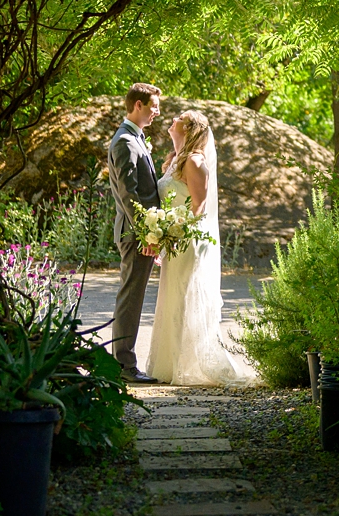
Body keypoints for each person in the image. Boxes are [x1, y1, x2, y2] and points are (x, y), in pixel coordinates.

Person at [145, 108, 256, 386]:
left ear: (189, 128)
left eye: (178, 118)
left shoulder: (195, 162)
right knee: (173, 297)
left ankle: (191, 365)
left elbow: (199, 208)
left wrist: (173, 228)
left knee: (185, 297)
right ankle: (170, 365)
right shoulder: (175, 160)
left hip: (189, 242)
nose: (172, 120)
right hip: (175, 241)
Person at [105, 83, 164, 382]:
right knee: (130, 298)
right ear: (137, 105)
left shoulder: (134, 139)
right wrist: (146, 235)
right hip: (134, 233)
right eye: (153, 106)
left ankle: (124, 363)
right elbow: (130, 195)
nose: (157, 111)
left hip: (137, 232)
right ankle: (124, 365)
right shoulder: (126, 142)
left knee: (133, 296)